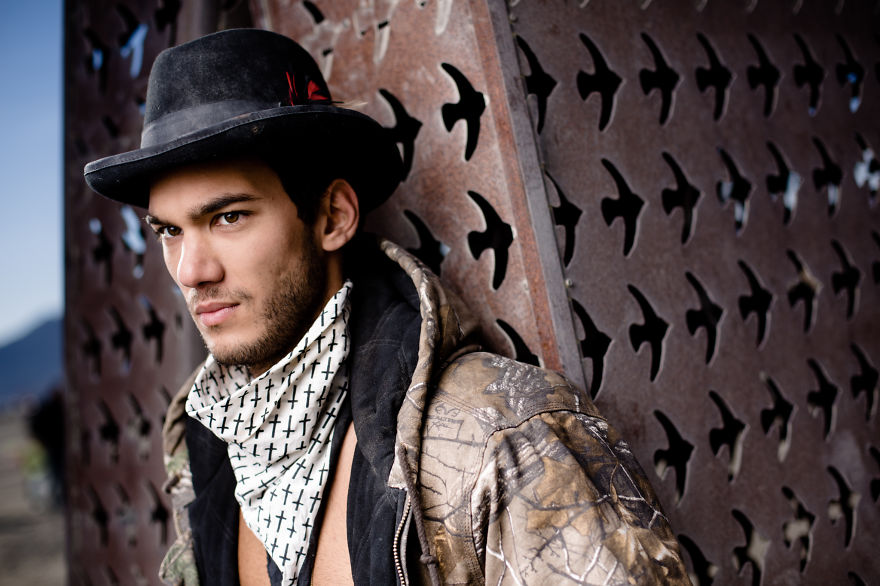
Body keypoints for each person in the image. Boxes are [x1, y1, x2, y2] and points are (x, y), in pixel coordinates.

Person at [84, 28, 689, 586]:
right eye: (169, 231)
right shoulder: (207, 447)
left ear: (333, 217)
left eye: (229, 217)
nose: (191, 271)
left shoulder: (504, 440)